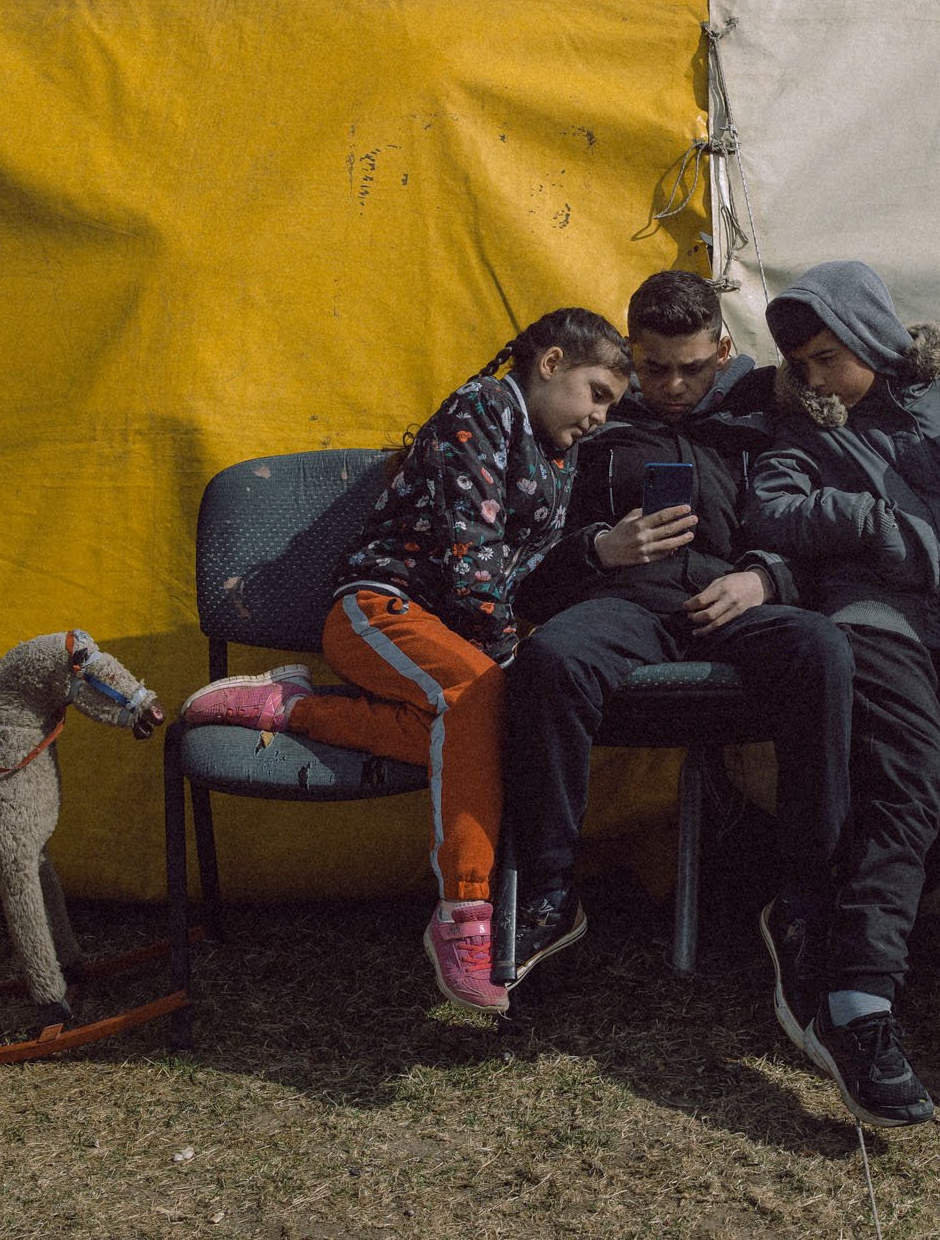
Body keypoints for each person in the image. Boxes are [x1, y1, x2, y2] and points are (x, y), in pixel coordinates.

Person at [181, 308, 631, 1014]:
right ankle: (464, 919)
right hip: (379, 609)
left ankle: (292, 708)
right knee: (480, 700)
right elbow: (472, 562)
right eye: (597, 392)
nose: (602, 415)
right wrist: (512, 659)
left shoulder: (558, 451)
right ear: (549, 364)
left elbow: (531, 572)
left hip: (457, 641)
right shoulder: (483, 406)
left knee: (477, 739)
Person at [499, 271, 854, 991]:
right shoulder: (589, 414)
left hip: (739, 603)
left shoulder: (769, 409)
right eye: (654, 368)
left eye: (693, 369)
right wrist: (600, 548)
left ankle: (808, 896)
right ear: (631, 351)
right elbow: (524, 562)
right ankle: (548, 889)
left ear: (724, 350)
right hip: (624, 605)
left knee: (821, 648)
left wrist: (765, 578)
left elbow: (823, 527)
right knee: (550, 659)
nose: (672, 388)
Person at [744, 260, 940, 1129]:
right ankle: (858, 1005)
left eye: (828, 355)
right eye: (802, 363)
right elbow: (772, 512)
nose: (814, 377)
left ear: (870, 334)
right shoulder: (809, 433)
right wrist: (870, 522)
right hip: (874, 617)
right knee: (914, 778)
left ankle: (824, 920)